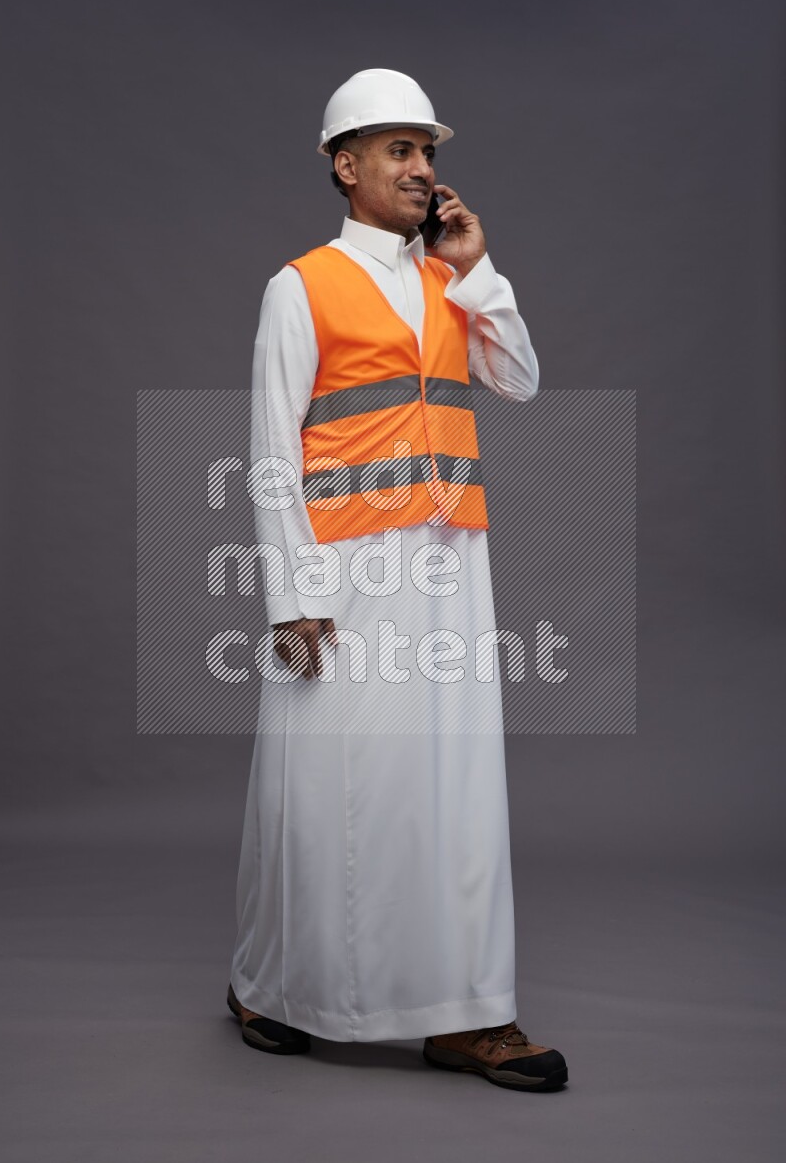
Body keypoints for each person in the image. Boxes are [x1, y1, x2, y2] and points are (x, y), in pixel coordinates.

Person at [227, 68, 568, 1092]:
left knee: (453, 782)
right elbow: (271, 449)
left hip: (448, 559)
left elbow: (517, 377)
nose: (423, 170)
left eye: (428, 153)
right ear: (347, 165)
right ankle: (273, 986)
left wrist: (478, 267)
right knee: (330, 785)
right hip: (342, 569)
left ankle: (466, 1011)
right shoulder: (301, 285)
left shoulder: (447, 275)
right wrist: (292, 596)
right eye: (400, 151)